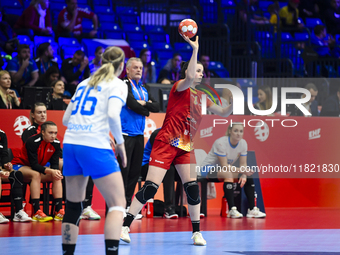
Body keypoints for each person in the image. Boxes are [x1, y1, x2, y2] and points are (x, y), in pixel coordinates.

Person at [120, 35, 233, 246]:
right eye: (197, 70)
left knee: (192, 188)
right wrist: (195, 48)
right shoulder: (179, 87)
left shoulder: (202, 97)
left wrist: (232, 100)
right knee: (151, 187)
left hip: (185, 147)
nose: (201, 74)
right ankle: (125, 226)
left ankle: (196, 232)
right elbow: (190, 76)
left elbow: (223, 112)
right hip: (166, 143)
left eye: (202, 71)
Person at [61, 46, 128, 255]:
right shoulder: (117, 84)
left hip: (71, 144)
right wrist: (120, 144)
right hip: (94, 145)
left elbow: (65, 119)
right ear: (121, 65)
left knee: (73, 206)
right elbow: (113, 115)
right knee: (117, 204)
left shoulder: (84, 83)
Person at [119, 57, 159, 218]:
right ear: (127, 70)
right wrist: (144, 107)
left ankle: (128, 205)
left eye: (141, 68)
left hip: (139, 135)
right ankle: (119, 205)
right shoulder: (124, 84)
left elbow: (156, 106)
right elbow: (131, 104)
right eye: (135, 68)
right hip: (125, 134)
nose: (138, 70)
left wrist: (143, 104)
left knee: (135, 172)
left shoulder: (144, 87)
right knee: (124, 171)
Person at [200, 123, 265, 218]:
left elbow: (243, 164)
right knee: (228, 174)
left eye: (241, 131)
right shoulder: (221, 143)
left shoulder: (243, 143)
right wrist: (242, 171)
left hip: (225, 170)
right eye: (235, 131)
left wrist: (244, 174)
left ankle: (252, 209)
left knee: (248, 176)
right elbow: (224, 165)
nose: (238, 134)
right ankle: (231, 210)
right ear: (230, 131)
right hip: (208, 169)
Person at [11, 121, 64, 222]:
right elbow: (34, 165)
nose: (53, 136)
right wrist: (50, 170)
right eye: (50, 133)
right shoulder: (33, 141)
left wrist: (54, 171)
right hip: (21, 165)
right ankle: (37, 212)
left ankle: (59, 211)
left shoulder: (56, 144)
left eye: (55, 133)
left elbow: (54, 164)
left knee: (57, 175)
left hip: (39, 167)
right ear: (43, 132)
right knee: (35, 174)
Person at [141, 129, 178, 219]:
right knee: (169, 170)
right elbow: (158, 156)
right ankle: (169, 208)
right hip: (147, 165)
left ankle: (192, 207)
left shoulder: (181, 136)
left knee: (187, 172)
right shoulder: (157, 134)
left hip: (166, 164)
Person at [0, 129, 33, 223]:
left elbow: (4, 154)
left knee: (16, 174)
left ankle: (18, 212)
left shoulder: (2, 134)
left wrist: (6, 165)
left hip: (1, 169)